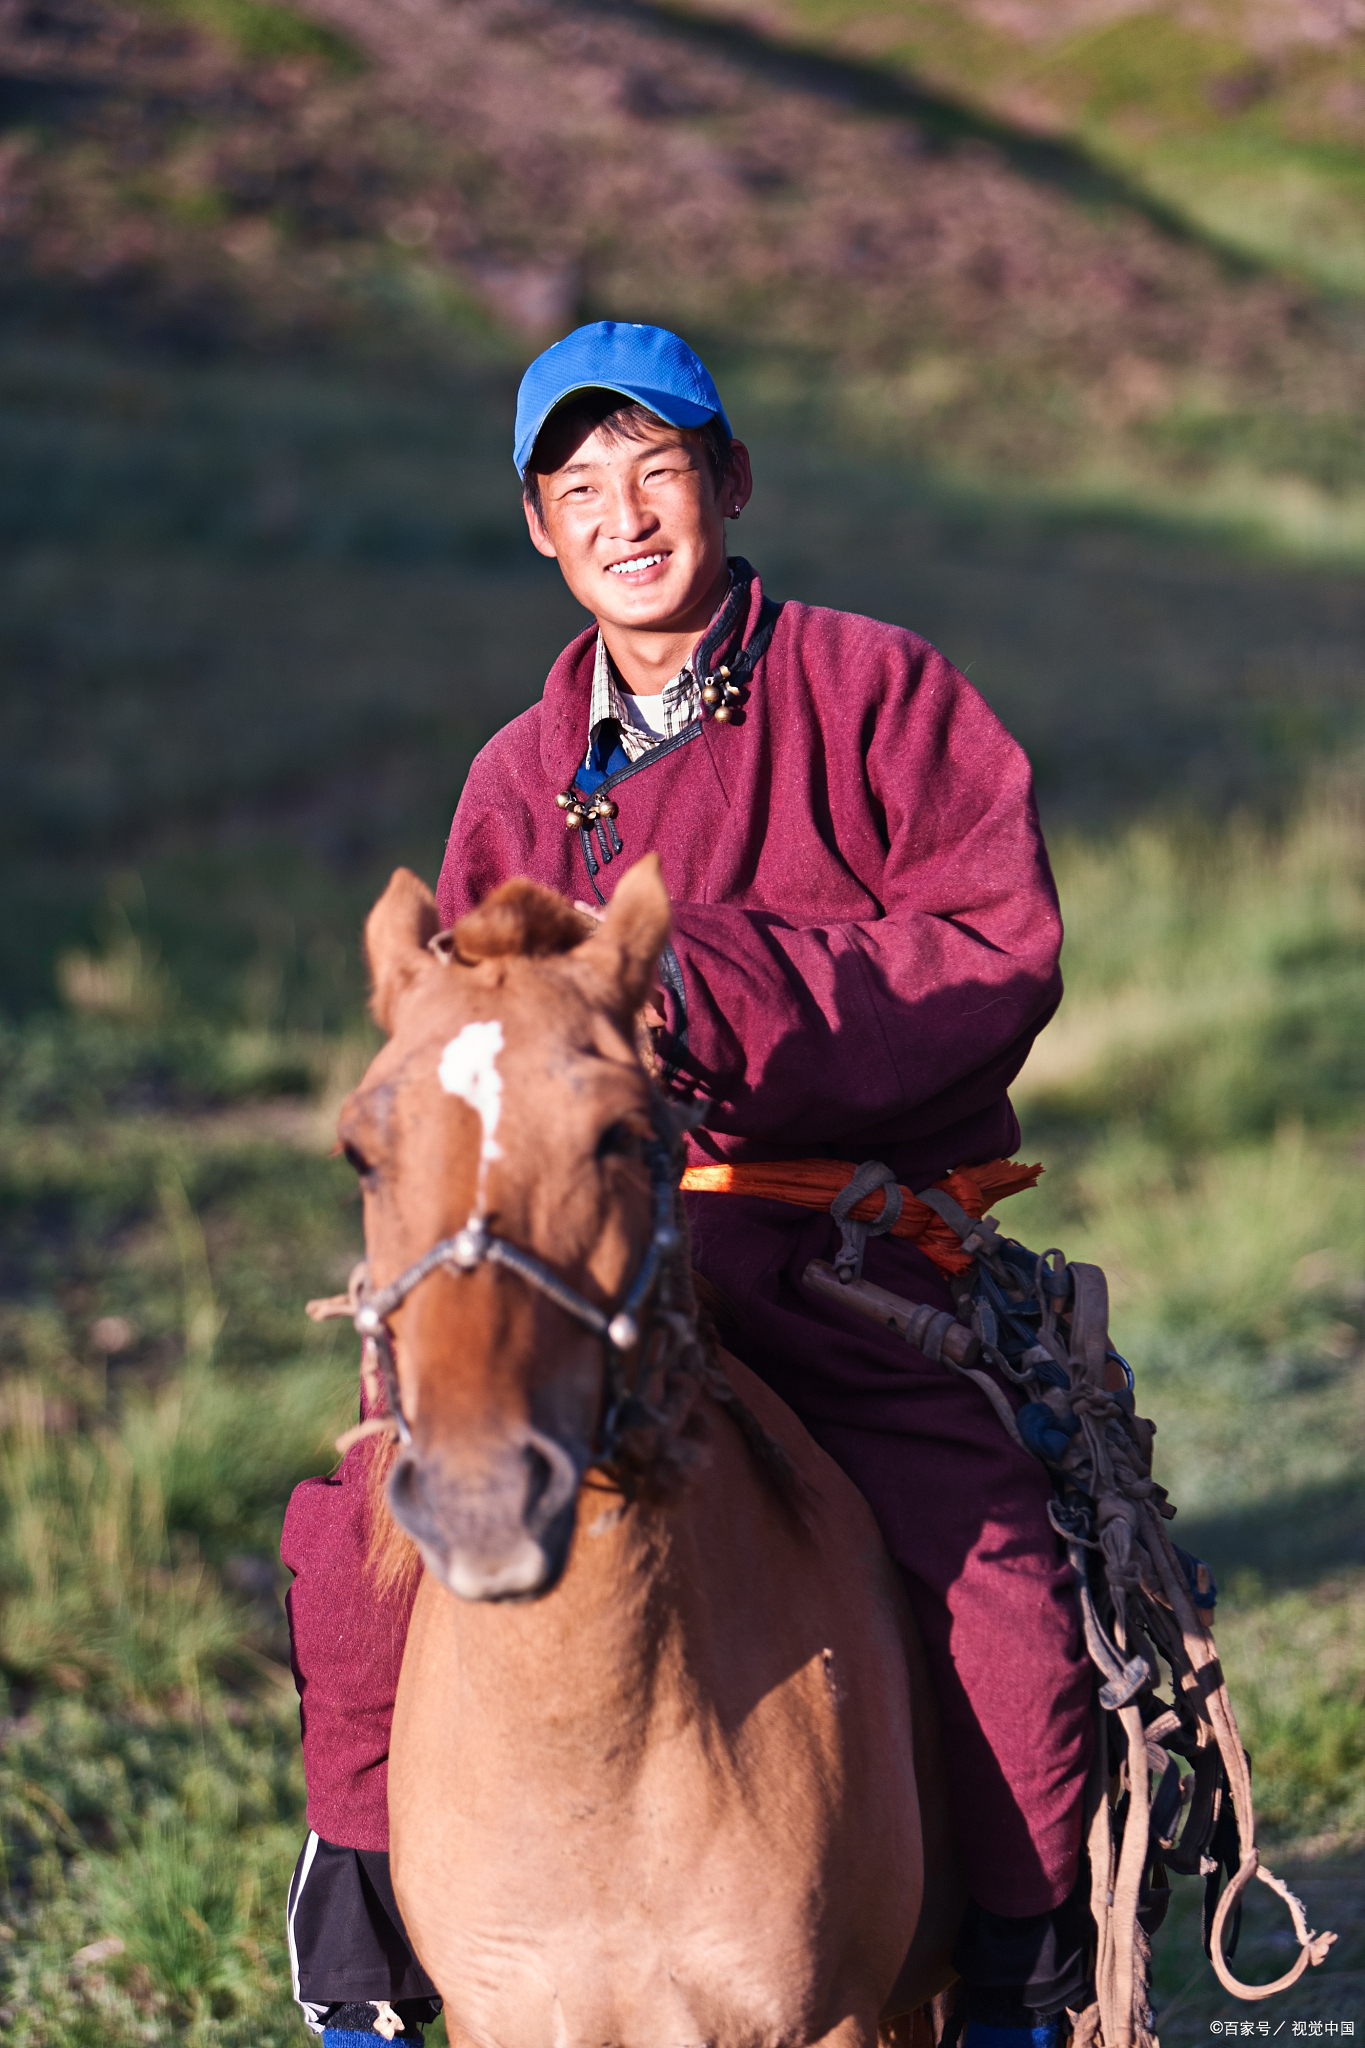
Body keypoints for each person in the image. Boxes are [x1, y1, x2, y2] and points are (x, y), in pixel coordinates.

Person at [282, 321, 1095, 2048]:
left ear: (727, 480)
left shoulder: (879, 692)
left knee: (990, 1566)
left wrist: (705, 983)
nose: (625, 516)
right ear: (538, 529)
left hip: (829, 1241)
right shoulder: (515, 776)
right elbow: (473, 1038)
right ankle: (359, 1958)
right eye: (581, 488)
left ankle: (1023, 1977)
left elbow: (993, 945)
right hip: (572, 1251)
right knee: (353, 1531)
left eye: (656, 470)